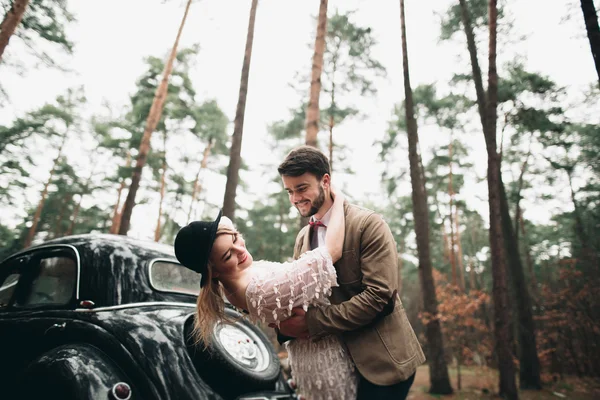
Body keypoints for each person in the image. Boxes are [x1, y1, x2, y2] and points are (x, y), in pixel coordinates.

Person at [174, 189, 359, 400]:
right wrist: (339, 198)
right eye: (228, 255)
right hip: (327, 362)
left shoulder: (242, 274)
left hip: (321, 349)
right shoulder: (257, 288)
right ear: (214, 271)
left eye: (235, 238)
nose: (240, 250)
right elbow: (332, 250)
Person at [275, 145, 425, 400]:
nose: (295, 198)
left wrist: (311, 323)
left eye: (301, 188)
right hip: (334, 368)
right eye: (289, 191)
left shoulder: (369, 225)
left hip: (382, 365)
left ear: (325, 181)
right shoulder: (302, 237)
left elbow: (379, 297)